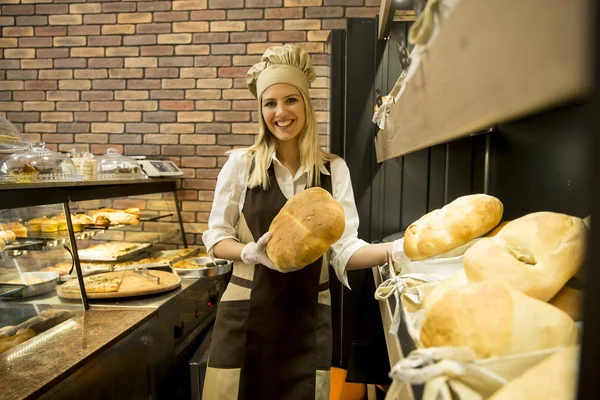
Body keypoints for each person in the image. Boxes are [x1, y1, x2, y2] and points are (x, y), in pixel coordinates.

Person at [202, 44, 401, 400]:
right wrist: (250, 253)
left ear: (306, 104)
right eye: (270, 103)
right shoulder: (240, 166)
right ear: (261, 109)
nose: (281, 112)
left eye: (291, 100)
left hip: (307, 316)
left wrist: (397, 250)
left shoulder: (332, 170)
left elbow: (344, 250)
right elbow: (216, 238)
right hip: (246, 315)